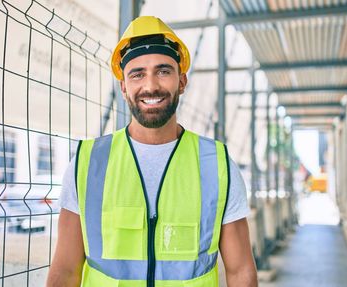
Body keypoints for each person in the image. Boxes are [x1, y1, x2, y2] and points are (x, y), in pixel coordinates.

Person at [47, 16, 258, 287]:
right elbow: (65, 270)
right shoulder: (88, 164)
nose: (150, 86)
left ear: (182, 82)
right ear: (124, 87)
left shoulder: (218, 165)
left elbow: (241, 271)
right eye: (137, 74)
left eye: (163, 71)